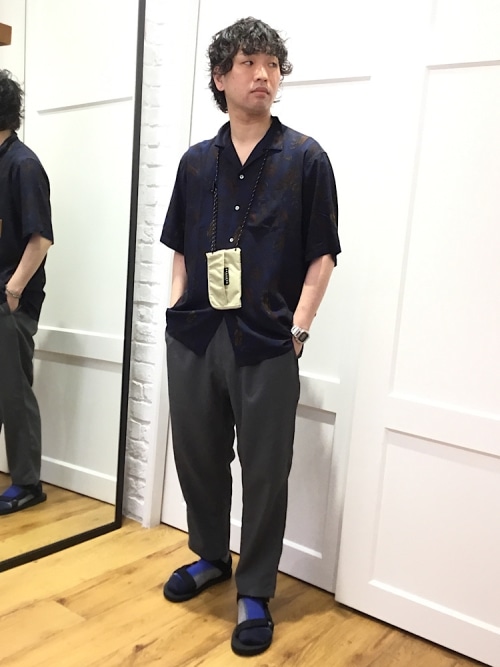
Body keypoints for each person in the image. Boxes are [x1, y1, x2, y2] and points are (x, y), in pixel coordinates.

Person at [160, 17, 340, 656]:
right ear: (220, 77)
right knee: (198, 457)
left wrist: (299, 329)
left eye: (272, 65)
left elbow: (322, 255)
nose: (263, 75)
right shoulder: (194, 163)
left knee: (266, 472)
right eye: (248, 63)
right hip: (196, 335)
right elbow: (180, 248)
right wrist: (177, 308)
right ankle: (211, 554)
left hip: (267, 341)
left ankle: (256, 588)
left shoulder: (305, 159)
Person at [0, 70, 53, 515]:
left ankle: (28, 483)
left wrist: (13, 291)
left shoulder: (23, 165)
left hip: (10, 303)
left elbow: (41, 238)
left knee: (15, 394)